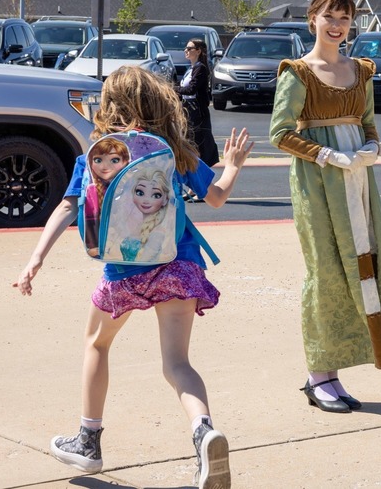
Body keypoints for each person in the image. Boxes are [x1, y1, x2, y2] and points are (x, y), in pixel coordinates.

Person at [14, 66, 253, 489]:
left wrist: (36, 258)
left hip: (122, 273)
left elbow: (69, 208)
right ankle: (204, 432)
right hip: (178, 266)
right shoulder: (175, 152)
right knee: (177, 363)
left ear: (109, 107)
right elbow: (216, 197)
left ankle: (88, 441)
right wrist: (232, 165)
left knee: (97, 343)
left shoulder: (98, 156)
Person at [269, 0, 381, 413]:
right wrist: (325, 154)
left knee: (363, 266)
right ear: (313, 19)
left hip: (358, 181)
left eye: (344, 19)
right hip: (318, 182)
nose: (337, 25)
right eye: (329, 16)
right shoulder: (297, 72)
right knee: (325, 271)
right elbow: (279, 132)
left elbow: (367, 123)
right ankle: (318, 373)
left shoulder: (361, 70)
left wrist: (371, 147)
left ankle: (336, 371)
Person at [179, 38, 219, 192]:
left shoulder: (201, 69)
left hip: (198, 114)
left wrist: (172, 88)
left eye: (189, 48)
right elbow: (184, 92)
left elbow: (191, 90)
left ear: (199, 51)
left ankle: (200, 188)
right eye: (186, 48)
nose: (186, 51)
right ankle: (195, 187)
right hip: (188, 112)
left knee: (199, 149)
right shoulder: (191, 68)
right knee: (191, 149)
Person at [82, 137, 130, 257]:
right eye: (98, 160)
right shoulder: (92, 190)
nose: (105, 166)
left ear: (126, 162)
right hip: (104, 248)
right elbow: (90, 223)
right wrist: (93, 246)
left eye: (114, 160)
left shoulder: (131, 186)